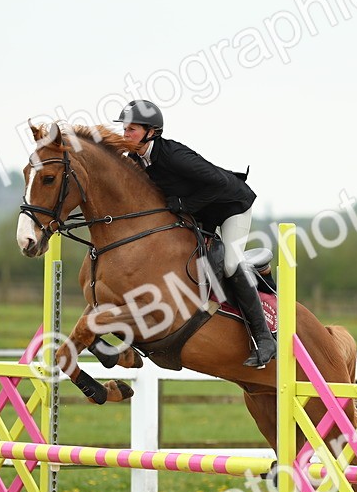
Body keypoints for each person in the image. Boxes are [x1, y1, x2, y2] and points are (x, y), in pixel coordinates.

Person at [117, 99, 276, 368]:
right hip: (200, 213)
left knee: (229, 264)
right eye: (125, 129)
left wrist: (185, 205)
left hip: (230, 206)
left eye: (131, 129)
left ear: (151, 132)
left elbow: (219, 183)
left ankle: (264, 338)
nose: (125, 135)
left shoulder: (174, 156)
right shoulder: (135, 160)